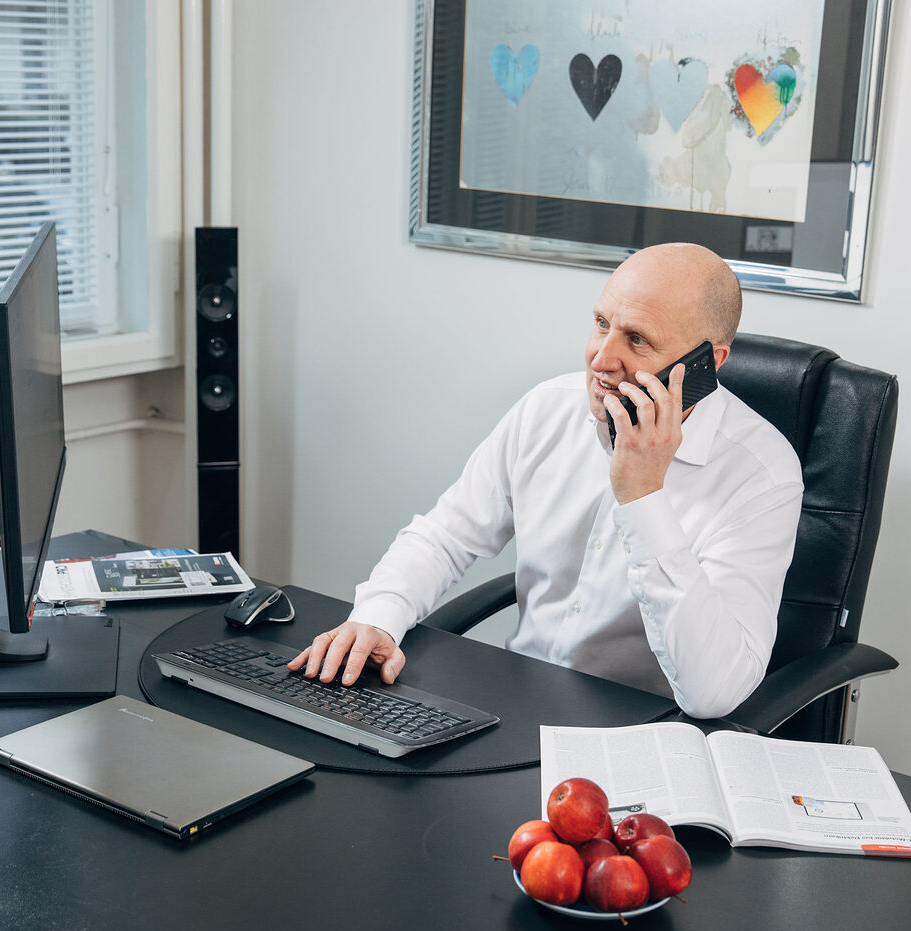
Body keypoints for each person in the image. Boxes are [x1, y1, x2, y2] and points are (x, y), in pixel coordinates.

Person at [289, 243, 803, 719]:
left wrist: (643, 497)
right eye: (602, 323)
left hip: (639, 732)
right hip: (516, 703)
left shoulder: (761, 476)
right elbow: (445, 536)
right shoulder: (546, 410)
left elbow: (712, 692)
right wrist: (379, 616)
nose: (601, 359)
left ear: (706, 365)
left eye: (638, 340)